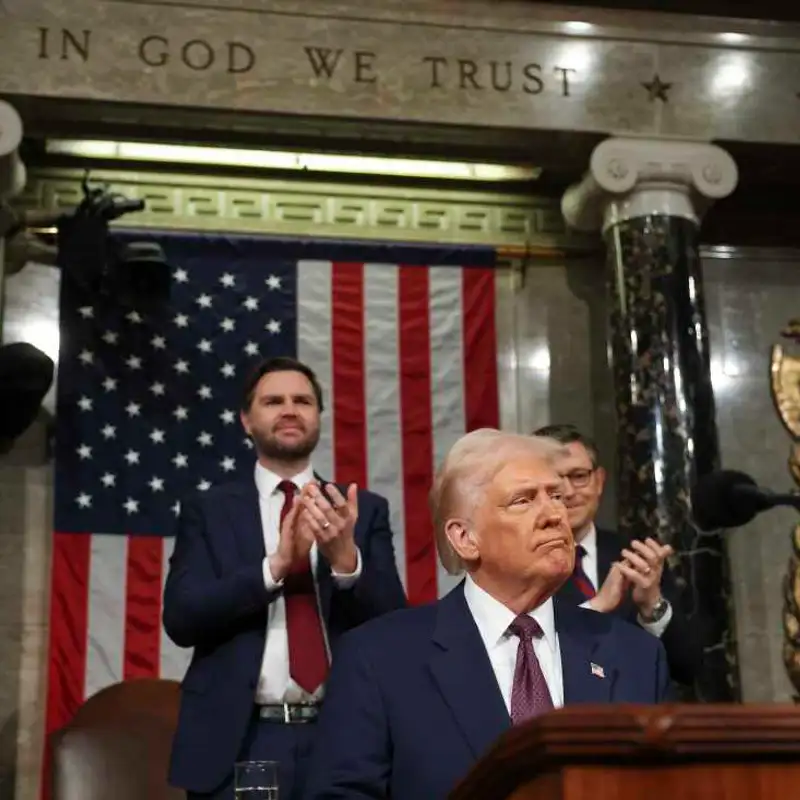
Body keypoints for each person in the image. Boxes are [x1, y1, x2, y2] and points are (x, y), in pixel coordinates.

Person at [303, 429, 672, 800]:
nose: (554, 514)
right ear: (465, 538)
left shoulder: (634, 655)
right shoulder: (380, 659)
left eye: (556, 496)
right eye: (523, 500)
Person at [163, 356, 407, 800]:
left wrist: (345, 562)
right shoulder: (209, 510)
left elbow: (394, 624)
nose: (290, 410)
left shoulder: (360, 509)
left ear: (318, 417)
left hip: (345, 731)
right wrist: (274, 566)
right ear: (246, 420)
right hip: (242, 737)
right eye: (273, 401)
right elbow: (181, 618)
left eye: (303, 401)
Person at [534, 423, 700, 688]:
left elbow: (687, 667)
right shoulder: (515, 566)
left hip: (639, 723)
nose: (567, 492)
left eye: (578, 476)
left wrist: (652, 608)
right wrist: (596, 607)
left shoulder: (637, 555)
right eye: (553, 481)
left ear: (599, 481)